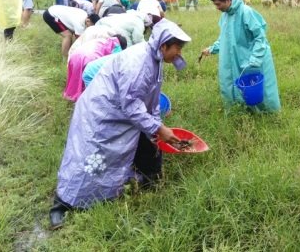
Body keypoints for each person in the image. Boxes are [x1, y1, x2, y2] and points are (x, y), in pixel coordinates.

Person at [49, 19, 192, 230]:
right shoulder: (140, 63)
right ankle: (62, 204)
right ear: (164, 46)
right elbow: (132, 106)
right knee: (89, 159)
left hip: (121, 112)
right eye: (177, 48)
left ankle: (143, 182)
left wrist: (156, 127)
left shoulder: (156, 60)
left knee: (145, 143)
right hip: (100, 114)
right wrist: (158, 128)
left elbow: (151, 100)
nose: (179, 53)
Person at [201, 0, 280, 112]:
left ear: (227, 0)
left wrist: (254, 59)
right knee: (233, 84)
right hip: (234, 57)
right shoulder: (225, 16)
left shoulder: (246, 12)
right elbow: (224, 38)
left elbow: (260, 37)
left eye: (218, 4)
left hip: (250, 57)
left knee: (257, 88)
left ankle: (267, 115)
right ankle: (239, 111)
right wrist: (212, 49)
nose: (217, 7)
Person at [64, 35, 126, 102]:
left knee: (75, 77)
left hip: (75, 54)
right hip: (90, 58)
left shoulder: (104, 40)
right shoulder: (117, 47)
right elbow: (116, 65)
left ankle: (71, 96)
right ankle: (81, 100)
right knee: (88, 81)